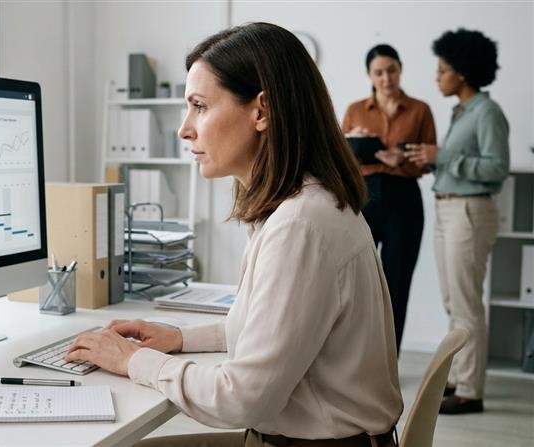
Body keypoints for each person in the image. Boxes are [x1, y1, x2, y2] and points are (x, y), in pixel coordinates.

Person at [66, 22, 403, 446]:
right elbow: (273, 333)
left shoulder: (301, 225)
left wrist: (136, 360)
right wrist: (179, 338)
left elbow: (242, 399)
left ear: (261, 112)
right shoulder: (304, 206)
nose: (184, 129)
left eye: (200, 106)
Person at [406, 29, 509, 415]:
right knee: (454, 300)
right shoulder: (462, 112)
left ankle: (470, 390)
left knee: (466, 303)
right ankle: (459, 376)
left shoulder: (487, 112)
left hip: (469, 211)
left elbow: (497, 168)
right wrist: (432, 160)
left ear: (462, 73)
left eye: (443, 69)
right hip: (448, 208)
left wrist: (445, 156)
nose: (437, 76)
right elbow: (459, 161)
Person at [342, 44, 437, 353]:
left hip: (403, 198)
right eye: (378, 72)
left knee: (397, 281)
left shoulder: (420, 110)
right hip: (364, 197)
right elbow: (339, 158)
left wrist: (403, 160)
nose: (386, 78)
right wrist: (353, 143)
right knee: (357, 280)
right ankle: (355, 356)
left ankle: (388, 361)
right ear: (369, 75)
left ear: (401, 69)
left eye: (391, 70)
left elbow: (429, 159)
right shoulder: (356, 110)